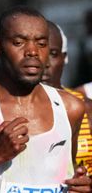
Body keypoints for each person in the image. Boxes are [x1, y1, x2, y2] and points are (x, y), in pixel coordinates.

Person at [0, 6, 91, 193]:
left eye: (41, 44)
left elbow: (69, 177)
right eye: (19, 42)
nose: (32, 51)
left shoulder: (71, 108)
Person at [42, 21, 92, 177]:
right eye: (38, 53)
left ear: (65, 58)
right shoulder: (4, 107)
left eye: (53, 54)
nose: (44, 63)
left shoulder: (86, 107)